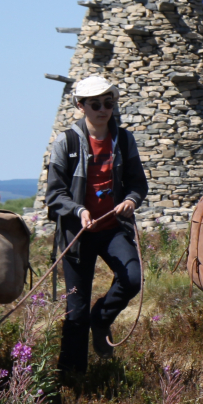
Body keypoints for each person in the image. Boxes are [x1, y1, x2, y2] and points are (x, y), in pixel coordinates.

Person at [43, 75, 147, 380]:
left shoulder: (124, 140)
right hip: (76, 235)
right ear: (80, 106)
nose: (103, 108)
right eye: (95, 103)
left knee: (133, 280)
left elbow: (138, 184)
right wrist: (78, 210)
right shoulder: (66, 141)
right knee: (75, 311)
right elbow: (54, 194)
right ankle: (72, 379)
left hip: (113, 228)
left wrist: (130, 200)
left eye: (108, 102)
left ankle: (100, 320)